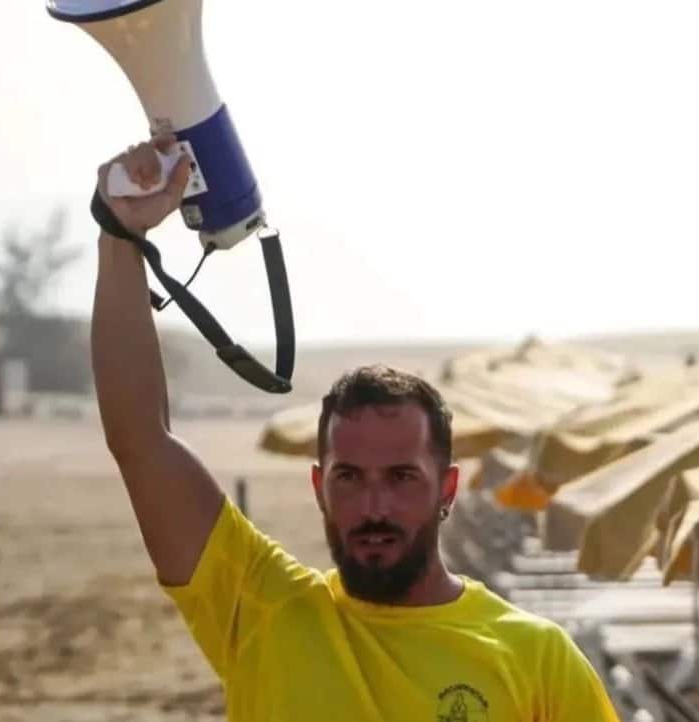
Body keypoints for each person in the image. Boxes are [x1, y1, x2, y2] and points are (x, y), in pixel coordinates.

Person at [90, 128, 622, 721]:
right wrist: (120, 233)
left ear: (447, 489)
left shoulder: (536, 658)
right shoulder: (264, 610)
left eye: (400, 477)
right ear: (320, 488)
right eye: (350, 477)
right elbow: (139, 439)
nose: (374, 506)